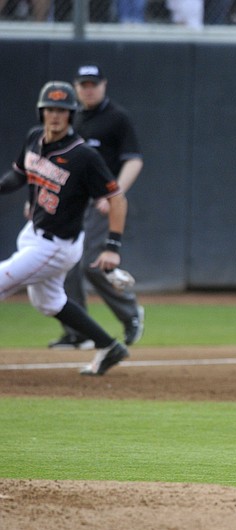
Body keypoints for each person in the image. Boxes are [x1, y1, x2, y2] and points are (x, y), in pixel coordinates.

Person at [0, 81, 130, 376]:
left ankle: (108, 345)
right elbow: (17, 175)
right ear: (41, 112)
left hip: (56, 246)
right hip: (34, 233)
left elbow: (117, 199)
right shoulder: (34, 138)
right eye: (50, 109)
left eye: (62, 110)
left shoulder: (84, 156)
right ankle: (109, 346)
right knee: (49, 302)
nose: (55, 116)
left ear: (71, 115)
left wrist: (113, 247)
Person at [48, 64, 145, 351]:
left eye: (94, 84)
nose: (89, 89)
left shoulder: (116, 118)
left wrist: (114, 193)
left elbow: (134, 159)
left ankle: (130, 313)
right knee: (64, 265)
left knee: (93, 264)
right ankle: (78, 332)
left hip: (101, 201)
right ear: (76, 88)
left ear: (104, 85)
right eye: (83, 84)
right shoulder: (70, 117)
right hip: (69, 203)